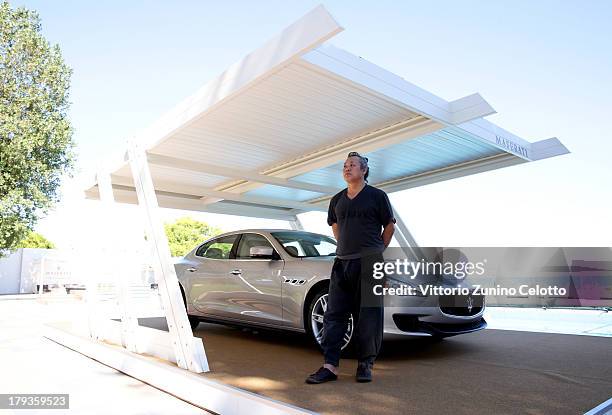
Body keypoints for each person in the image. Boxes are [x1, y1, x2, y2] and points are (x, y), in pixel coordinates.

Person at [306, 151, 395, 384]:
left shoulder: (377, 196)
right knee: (334, 314)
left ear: (364, 170)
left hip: (369, 262)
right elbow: (335, 226)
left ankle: (365, 363)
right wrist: (345, 248)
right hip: (342, 263)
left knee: (369, 315)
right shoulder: (336, 200)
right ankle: (330, 365)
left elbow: (389, 226)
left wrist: (377, 251)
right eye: (345, 165)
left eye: (353, 165)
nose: (347, 168)